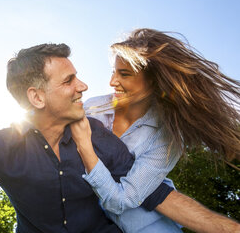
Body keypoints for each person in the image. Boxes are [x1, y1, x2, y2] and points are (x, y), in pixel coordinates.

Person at [0, 43, 239, 233]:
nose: (85, 86)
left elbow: (161, 198)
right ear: (37, 97)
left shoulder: (97, 137)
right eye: (68, 81)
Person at [70, 28, 240, 232]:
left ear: (152, 81)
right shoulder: (93, 107)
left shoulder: (167, 138)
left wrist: (85, 146)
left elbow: (122, 200)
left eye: (124, 74)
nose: (112, 82)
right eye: (113, 72)